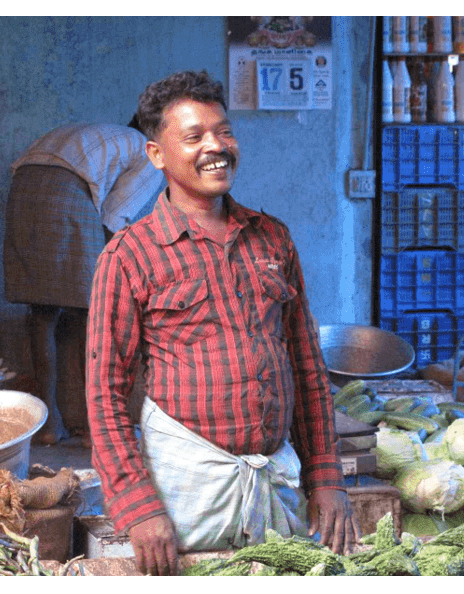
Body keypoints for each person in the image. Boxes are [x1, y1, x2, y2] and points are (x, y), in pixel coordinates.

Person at [86, 70, 355, 575]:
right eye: (194, 137)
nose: (216, 146)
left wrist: (326, 476)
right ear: (156, 155)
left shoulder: (272, 238)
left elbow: (307, 368)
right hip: (184, 488)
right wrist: (139, 505)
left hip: (274, 480)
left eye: (224, 131)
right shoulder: (129, 256)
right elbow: (105, 393)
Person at [4, 122, 165, 445]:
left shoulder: (100, 134)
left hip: (22, 189)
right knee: (89, 316)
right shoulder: (150, 155)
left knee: (43, 314)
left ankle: (48, 424)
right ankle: (97, 428)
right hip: (65, 194)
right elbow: (114, 219)